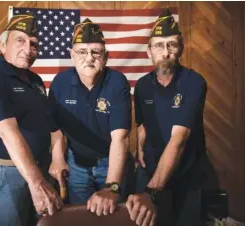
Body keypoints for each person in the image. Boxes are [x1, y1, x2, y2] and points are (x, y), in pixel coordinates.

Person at [0, 14, 63, 226]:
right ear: (3, 45)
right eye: (20, 40)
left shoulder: (35, 80)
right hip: (7, 172)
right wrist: (37, 182)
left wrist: (57, 158)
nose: (28, 49)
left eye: (34, 44)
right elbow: (7, 131)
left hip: (40, 167)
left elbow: (51, 124)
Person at [126, 9, 207, 226]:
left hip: (187, 171)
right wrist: (140, 147)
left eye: (171, 44)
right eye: (159, 45)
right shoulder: (142, 86)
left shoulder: (194, 82)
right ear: (149, 51)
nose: (166, 51)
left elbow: (179, 140)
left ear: (180, 48)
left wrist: (152, 191)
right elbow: (142, 123)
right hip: (151, 168)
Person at [48, 18, 133, 216]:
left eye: (96, 52)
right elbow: (56, 128)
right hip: (76, 163)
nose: (89, 58)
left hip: (110, 161)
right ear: (71, 55)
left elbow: (120, 138)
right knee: (81, 216)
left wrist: (112, 187)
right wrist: (57, 158)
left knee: (113, 214)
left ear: (106, 56)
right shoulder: (60, 83)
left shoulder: (117, 82)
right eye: (82, 52)